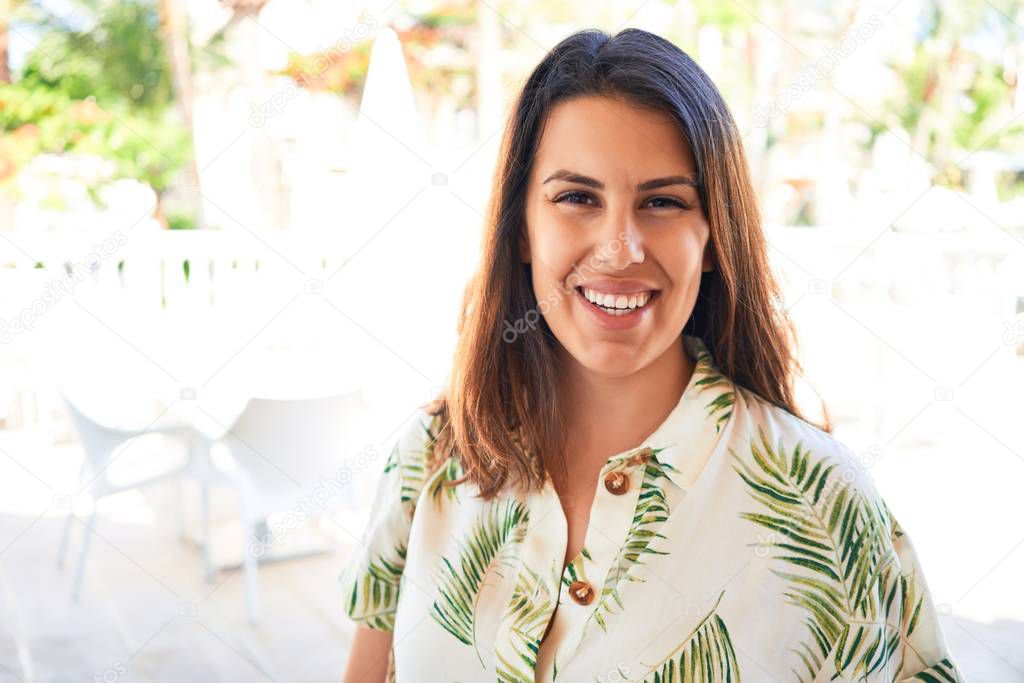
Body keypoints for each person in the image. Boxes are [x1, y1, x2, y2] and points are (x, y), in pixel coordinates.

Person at [339, 27, 963, 683]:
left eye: (663, 201)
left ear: (714, 237)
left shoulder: (830, 507)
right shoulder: (429, 455)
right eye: (577, 197)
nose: (620, 248)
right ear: (521, 227)